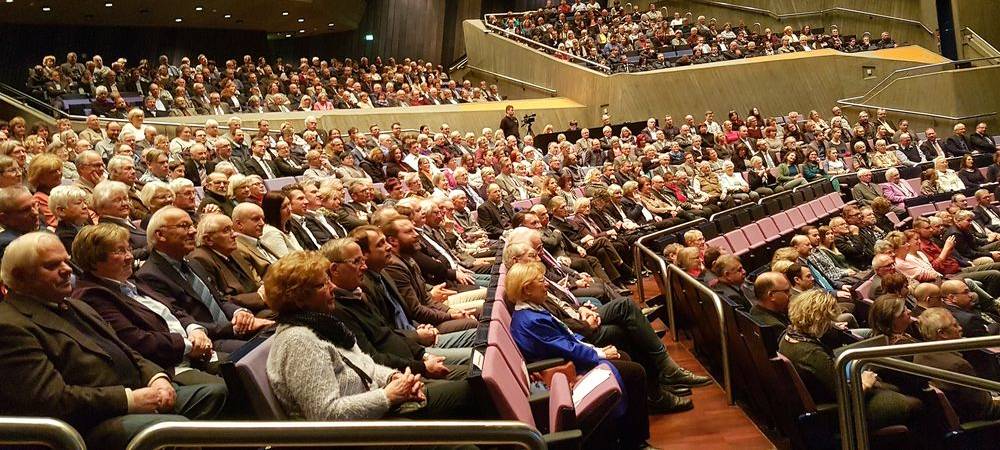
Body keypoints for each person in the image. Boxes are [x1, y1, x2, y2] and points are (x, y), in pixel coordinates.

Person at [0, 232, 226, 450]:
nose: (66, 270)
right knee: (175, 430)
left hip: (135, 392)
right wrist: (129, 400)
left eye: (66, 262)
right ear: (20, 276)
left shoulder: (77, 306)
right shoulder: (10, 326)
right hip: (90, 421)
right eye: (52, 265)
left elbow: (127, 351)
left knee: (212, 394)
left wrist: (157, 378)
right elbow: (51, 400)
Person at [264, 251, 486, 429]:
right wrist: (388, 395)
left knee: (476, 387)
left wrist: (393, 376)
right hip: (362, 433)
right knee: (474, 393)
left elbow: (364, 363)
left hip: (378, 404)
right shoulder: (298, 341)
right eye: (322, 285)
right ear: (297, 296)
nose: (332, 288)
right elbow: (325, 415)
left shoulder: (320, 324)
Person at [505, 261, 677, 449]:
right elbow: (566, 348)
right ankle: (634, 442)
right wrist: (600, 353)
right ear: (527, 289)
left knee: (624, 357)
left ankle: (627, 431)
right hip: (563, 369)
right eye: (540, 281)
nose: (546, 284)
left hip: (567, 358)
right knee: (634, 371)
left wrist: (595, 349)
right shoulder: (530, 321)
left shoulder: (532, 310)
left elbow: (568, 337)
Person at [71, 223, 225, 385]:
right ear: (94, 260)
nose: (130, 256)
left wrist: (195, 330)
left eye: (129, 249)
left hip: (195, 350)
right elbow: (136, 341)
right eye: (119, 251)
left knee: (244, 364)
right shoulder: (92, 295)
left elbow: (174, 310)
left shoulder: (131, 280)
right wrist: (189, 345)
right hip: (168, 366)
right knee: (231, 386)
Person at [779, 289, 922, 429]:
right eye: (829, 320)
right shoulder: (811, 354)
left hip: (828, 395)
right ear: (821, 320)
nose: (831, 323)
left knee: (889, 386)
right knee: (914, 403)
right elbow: (844, 394)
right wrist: (865, 383)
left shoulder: (788, 335)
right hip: (838, 411)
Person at [135, 207, 272, 352]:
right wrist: (235, 328)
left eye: (192, 225)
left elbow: (219, 299)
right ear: (160, 234)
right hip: (208, 341)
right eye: (184, 226)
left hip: (229, 329)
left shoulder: (191, 262)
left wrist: (239, 312)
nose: (194, 231)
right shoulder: (150, 276)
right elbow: (181, 320)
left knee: (282, 332)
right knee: (268, 349)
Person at [914, 308, 1000, 422]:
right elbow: (989, 410)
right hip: (977, 426)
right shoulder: (958, 365)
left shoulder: (919, 355)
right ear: (942, 333)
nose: (960, 328)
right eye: (955, 326)